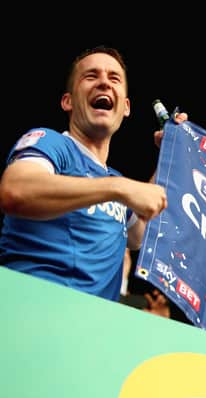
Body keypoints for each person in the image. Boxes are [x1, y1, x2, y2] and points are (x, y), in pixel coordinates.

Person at [0, 45, 187, 303]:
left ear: (126, 107)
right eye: (91, 76)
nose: (104, 83)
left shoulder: (113, 180)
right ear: (67, 101)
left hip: (93, 330)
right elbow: (16, 191)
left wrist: (170, 158)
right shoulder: (50, 144)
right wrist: (118, 188)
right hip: (31, 311)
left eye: (114, 78)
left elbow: (139, 236)